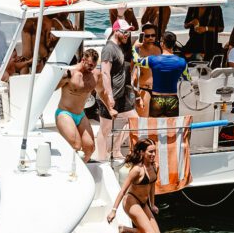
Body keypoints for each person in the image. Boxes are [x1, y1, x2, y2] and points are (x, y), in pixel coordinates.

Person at [107, 138, 161, 233]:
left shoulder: (155, 166)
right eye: (150, 152)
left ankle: (125, 229)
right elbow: (123, 191)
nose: (153, 155)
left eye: (154, 152)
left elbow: (152, 185)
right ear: (142, 152)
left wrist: (152, 204)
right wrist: (113, 210)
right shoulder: (137, 170)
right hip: (131, 201)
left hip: (143, 202)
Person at [96, 19, 137, 161]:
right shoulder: (109, 49)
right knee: (105, 129)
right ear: (116, 31)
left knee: (134, 121)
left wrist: (121, 15)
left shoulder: (119, 46)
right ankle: (101, 159)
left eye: (128, 32)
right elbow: (105, 73)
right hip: (110, 95)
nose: (127, 35)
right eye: (125, 32)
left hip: (121, 94)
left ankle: (115, 149)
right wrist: (109, 96)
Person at [55, 49, 100, 162]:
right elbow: (52, 88)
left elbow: (102, 91)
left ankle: (81, 170)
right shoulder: (71, 73)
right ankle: (70, 171)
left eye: (94, 65)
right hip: (65, 113)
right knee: (76, 146)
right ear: (83, 60)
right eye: (90, 65)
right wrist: (63, 78)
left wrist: (110, 106)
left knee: (90, 148)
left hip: (80, 114)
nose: (91, 68)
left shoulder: (95, 74)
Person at [133, 31, 189, 117]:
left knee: (155, 127)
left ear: (162, 44)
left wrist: (135, 47)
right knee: (171, 128)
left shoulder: (153, 60)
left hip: (157, 99)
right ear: (174, 44)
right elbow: (187, 77)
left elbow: (136, 60)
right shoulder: (182, 62)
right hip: (172, 100)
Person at [132, 23, 162, 116]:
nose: (150, 38)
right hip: (143, 90)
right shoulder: (138, 51)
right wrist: (137, 97)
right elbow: (132, 74)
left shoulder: (158, 49)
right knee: (143, 122)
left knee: (156, 121)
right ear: (142, 36)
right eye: (147, 36)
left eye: (153, 35)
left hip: (158, 90)